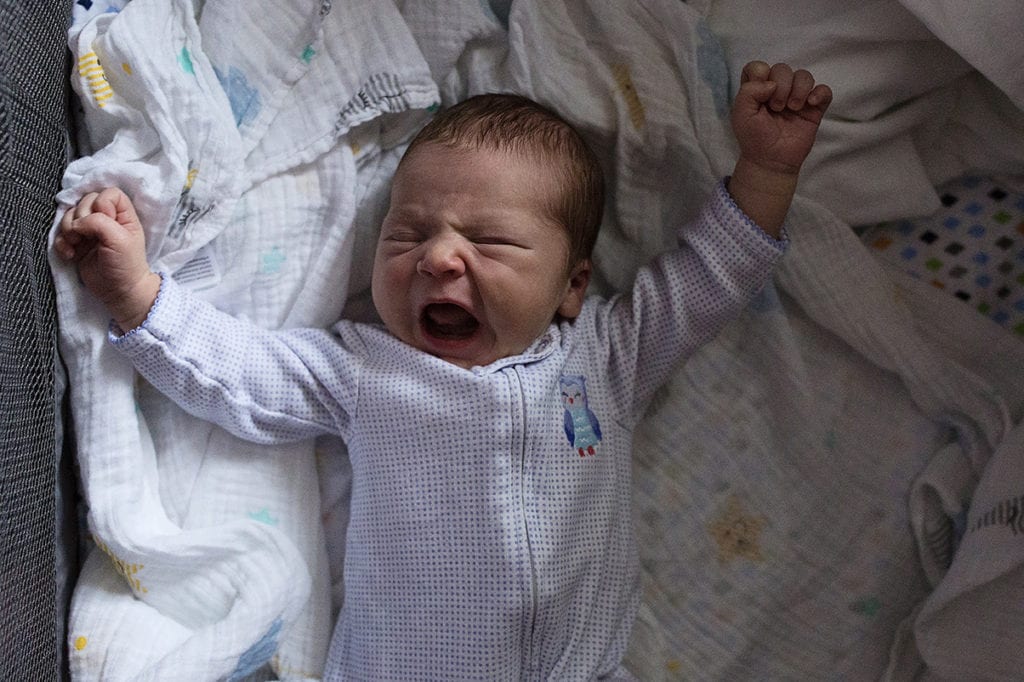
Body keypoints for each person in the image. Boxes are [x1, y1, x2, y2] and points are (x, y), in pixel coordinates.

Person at [55, 61, 832, 679]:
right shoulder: (365, 371)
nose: (438, 256)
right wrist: (139, 295)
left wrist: (767, 169)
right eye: (408, 234)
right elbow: (242, 375)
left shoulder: (607, 357)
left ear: (572, 286)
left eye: (490, 242)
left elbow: (711, 278)